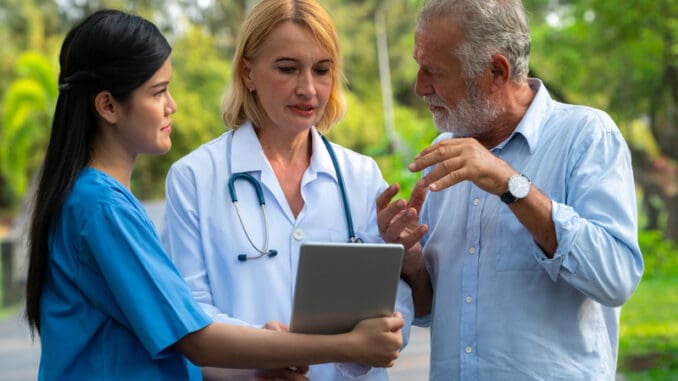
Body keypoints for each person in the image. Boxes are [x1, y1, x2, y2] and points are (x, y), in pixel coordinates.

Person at [23, 9, 405, 381]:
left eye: (321, 70)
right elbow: (195, 338)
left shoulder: (102, 201)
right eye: (158, 92)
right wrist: (346, 346)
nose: (172, 105)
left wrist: (259, 365)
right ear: (108, 105)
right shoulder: (103, 208)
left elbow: (172, 345)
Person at [376, 0, 644, 380]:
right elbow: (432, 308)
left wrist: (509, 184)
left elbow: (615, 278)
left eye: (433, 71)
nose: (419, 86)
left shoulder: (585, 136)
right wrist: (410, 258)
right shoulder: (444, 153)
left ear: (496, 71)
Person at [161, 0, 414, 379]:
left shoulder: (360, 176)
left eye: (322, 70)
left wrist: (393, 326)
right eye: (287, 68)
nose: (308, 89)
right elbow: (189, 315)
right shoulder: (195, 178)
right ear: (248, 73)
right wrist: (260, 358)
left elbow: (394, 298)